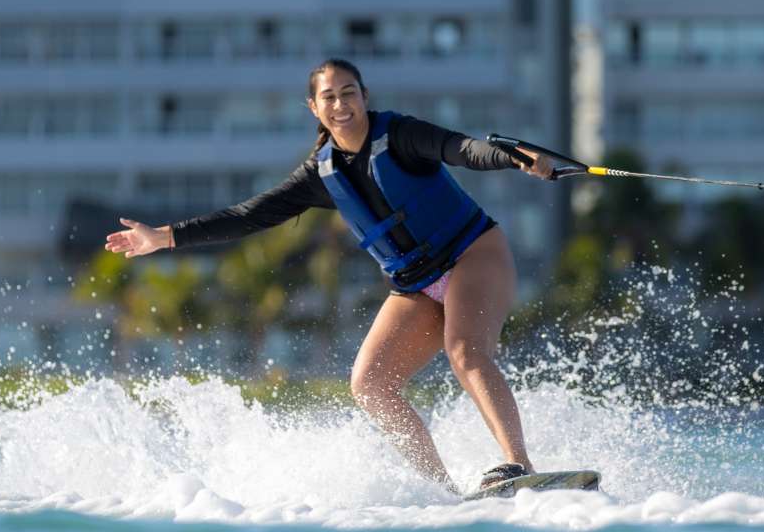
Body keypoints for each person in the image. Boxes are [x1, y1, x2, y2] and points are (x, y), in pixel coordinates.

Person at [105, 58, 553, 494]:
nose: (340, 104)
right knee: (370, 384)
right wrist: (164, 237)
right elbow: (249, 215)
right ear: (314, 108)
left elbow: (461, 148)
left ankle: (519, 465)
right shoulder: (320, 174)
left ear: (364, 96)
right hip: (416, 284)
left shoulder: (400, 135)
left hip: (471, 254)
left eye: (348, 93)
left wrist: (510, 156)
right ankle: (443, 492)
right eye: (329, 97)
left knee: (465, 352)